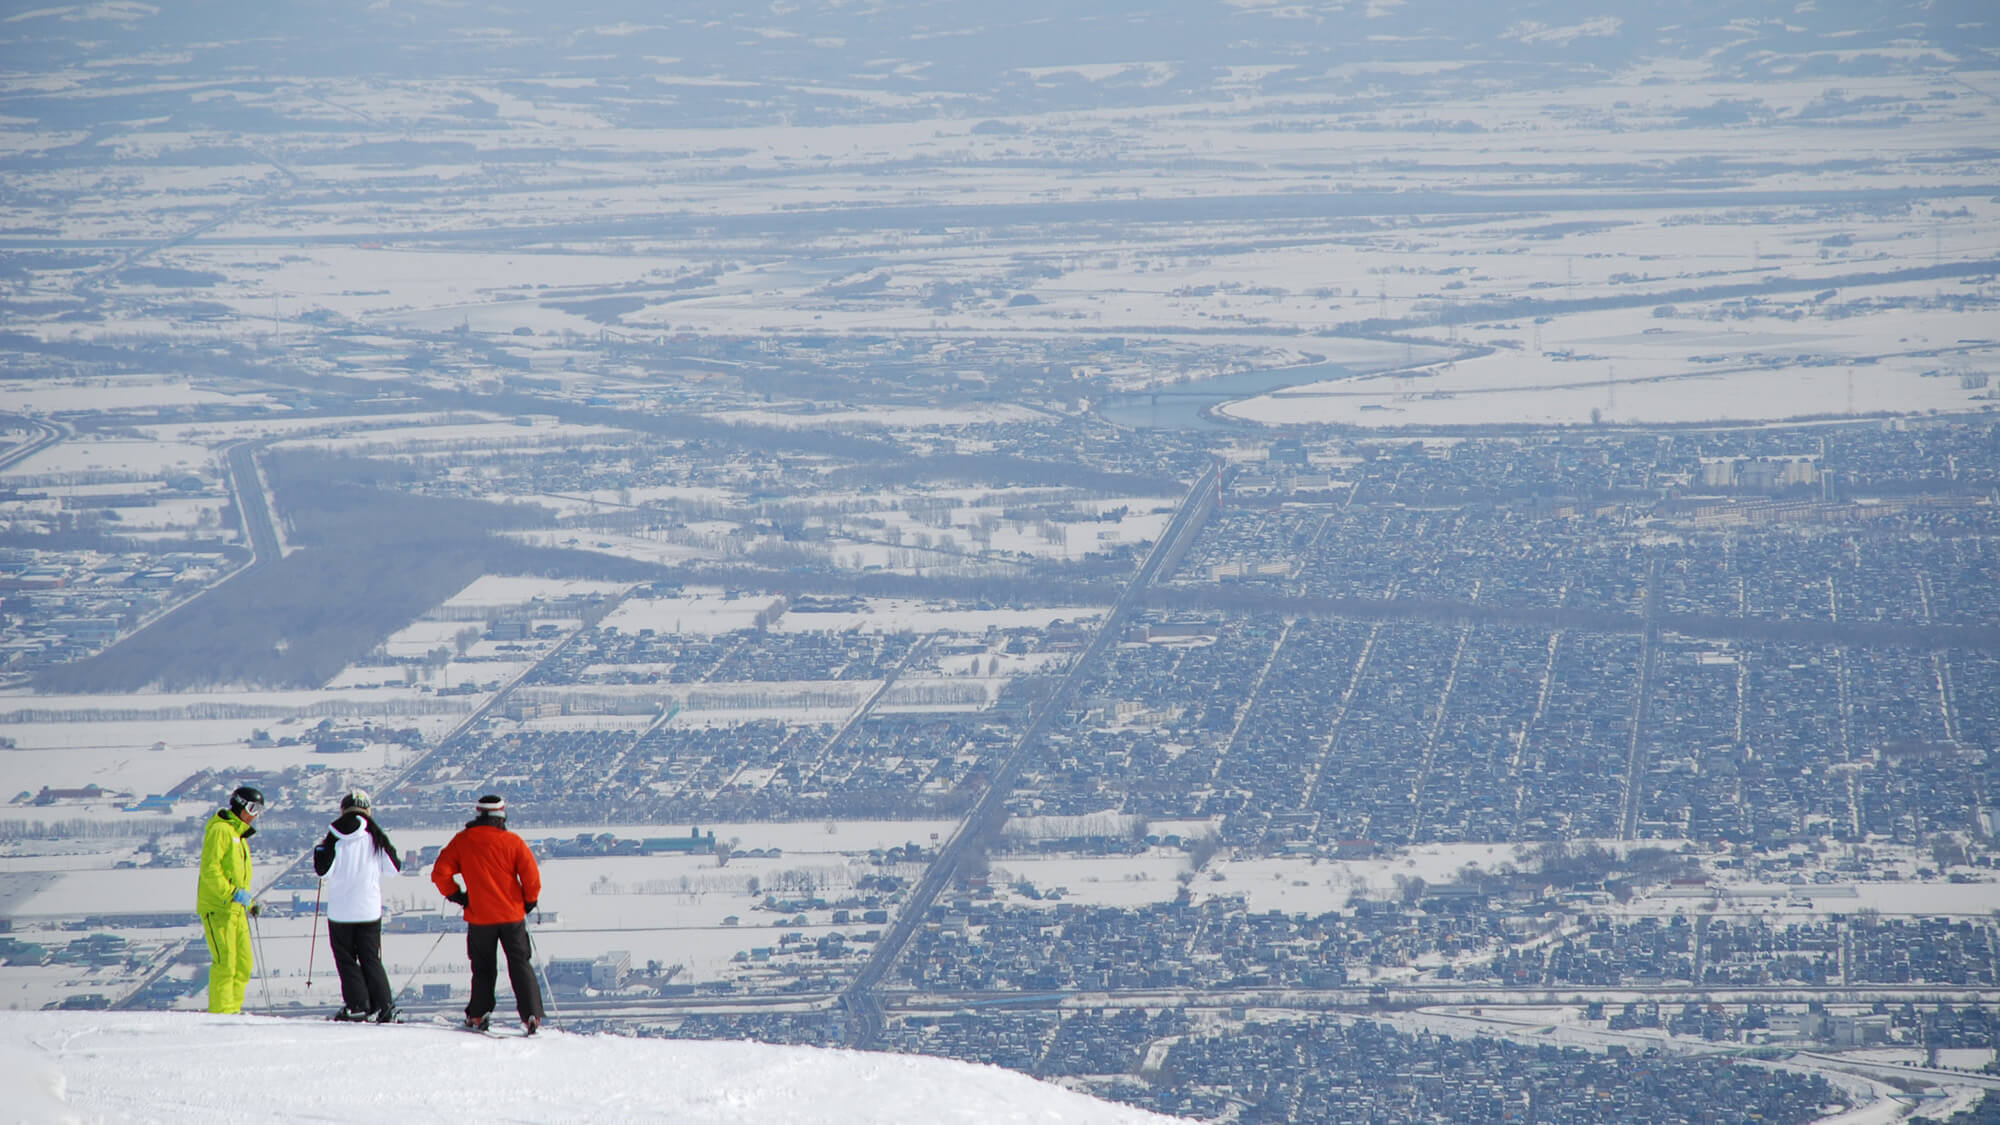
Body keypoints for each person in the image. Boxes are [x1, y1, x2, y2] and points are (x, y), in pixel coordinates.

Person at [431, 794, 544, 1034]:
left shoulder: (463, 841)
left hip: (479, 917)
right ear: (502, 815)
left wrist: (458, 896)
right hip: (512, 915)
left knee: (483, 967)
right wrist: (529, 902)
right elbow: (531, 877)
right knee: (520, 964)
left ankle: (478, 1014)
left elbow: (440, 873)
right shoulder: (513, 842)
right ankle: (531, 1015)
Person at [312, 789, 403, 1022]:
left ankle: (358, 1005)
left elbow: (323, 871)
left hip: (341, 911)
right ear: (367, 810)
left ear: (343, 809)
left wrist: (320, 852)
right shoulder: (375, 835)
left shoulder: (333, 836)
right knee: (371, 958)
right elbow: (394, 869)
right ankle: (384, 1006)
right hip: (369, 909)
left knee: (346, 960)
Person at [195, 785, 264, 1014]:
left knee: (243, 964)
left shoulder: (239, 836)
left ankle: (233, 1010)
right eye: (253, 808)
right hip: (219, 908)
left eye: (259, 810)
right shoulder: (221, 831)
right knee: (226, 962)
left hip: (237, 910)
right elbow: (210, 869)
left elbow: (238, 877)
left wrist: (249, 903)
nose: (255, 815)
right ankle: (221, 1013)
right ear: (240, 805)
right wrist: (231, 893)